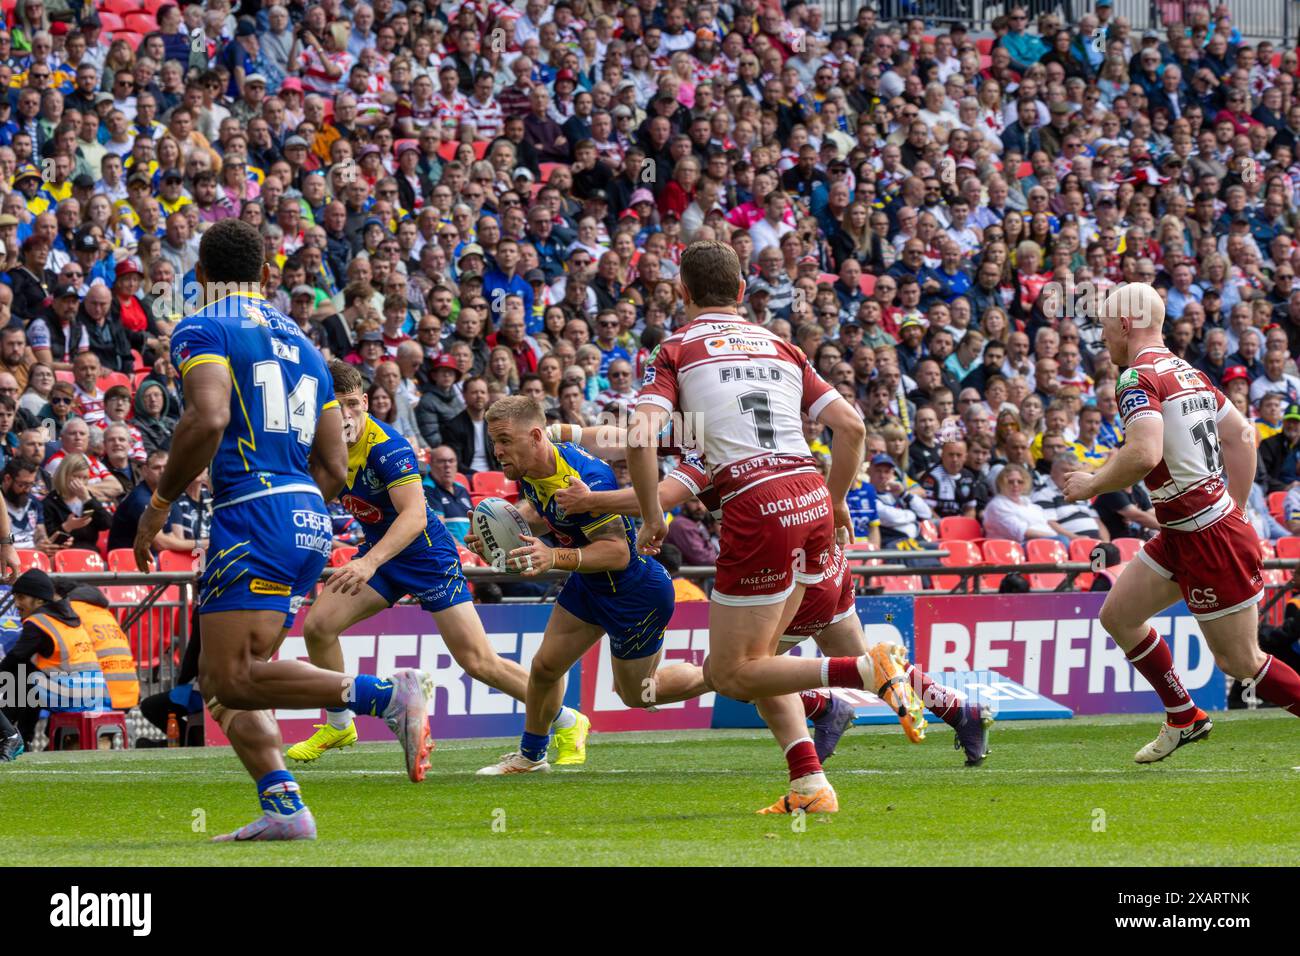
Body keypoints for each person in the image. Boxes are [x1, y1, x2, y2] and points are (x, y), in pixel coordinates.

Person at [129, 219, 433, 843]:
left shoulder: (204, 325)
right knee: (227, 684)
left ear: (203, 278)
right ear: (268, 276)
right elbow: (330, 465)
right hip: (306, 515)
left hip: (254, 511)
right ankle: (285, 808)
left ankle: (385, 696)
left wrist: (159, 504)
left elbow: (209, 417)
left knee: (231, 677)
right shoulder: (308, 349)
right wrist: (295, 514)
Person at [625, 240, 913, 815]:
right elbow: (851, 427)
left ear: (681, 292)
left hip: (755, 506)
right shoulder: (782, 346)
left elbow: (638, 436)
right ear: (741, 291)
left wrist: (654, 518)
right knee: (762, 659)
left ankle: (863, 668)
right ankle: (810, 784)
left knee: (733, 673)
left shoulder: (677, 348)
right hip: (808, 491)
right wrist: (833, 502)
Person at [551, 423, 990, 765]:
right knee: (851, 654)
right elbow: (626, 435)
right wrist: (563, 433)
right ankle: (957, 710)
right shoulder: (730, 427)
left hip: (782, 565)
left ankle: (817, 727)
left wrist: (592, 501)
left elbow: (661, 495)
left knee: (739, 674)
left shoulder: (710, 448)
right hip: (822, 554)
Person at [286, 363, 589, 765]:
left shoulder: (387, 447)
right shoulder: (324, 442)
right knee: (319, 627)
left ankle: (567, 720)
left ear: (363, 402)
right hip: (383, 554)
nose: (344, 415)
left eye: (350, 405)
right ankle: (340, 725)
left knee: (479, 662)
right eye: (334, 407)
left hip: (426, 554)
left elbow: (413, 516)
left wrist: (367, 563)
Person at [1063, 284, 1300, 764]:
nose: (1103, 337)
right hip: (1185, 529)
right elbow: (1241, 435)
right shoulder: (1188, 373)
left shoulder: (1135, 377)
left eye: (1107, 326)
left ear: (1126, 324)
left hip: (1207, 534)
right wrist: (1234, 503)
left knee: (1241, 662)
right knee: (1118, 616)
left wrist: (1091, 485)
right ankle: (1183, 715)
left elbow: (1144, 453)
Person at [471, 397, 705, 776]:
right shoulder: (531, 466)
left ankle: (725, 675)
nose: (497, 452)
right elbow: (544, 514)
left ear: (533, 437)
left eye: (503, 441)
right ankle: (531, 757)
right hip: (590, 583)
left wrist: (552, 558)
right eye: (494, 442)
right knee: (545, 667)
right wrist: (498, 532)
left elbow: (617, 554)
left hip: (635, 594)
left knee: (639, 694)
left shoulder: (582, 479)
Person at [0, 569, 108, 750]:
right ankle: (21, 738)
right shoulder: (68, 617)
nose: (17, 604)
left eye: (21, 598)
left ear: (40, 600)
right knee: (26, 674)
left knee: (22, 679)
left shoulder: (39, 622)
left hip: (73, 696)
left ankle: (16, 738)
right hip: (95, 694)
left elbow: (14, 658)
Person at [43, 453, 112, 550]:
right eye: (76, 477)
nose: (81, 482)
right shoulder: (50, 503)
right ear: (64, 475)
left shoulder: (88, 499)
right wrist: (67, 527)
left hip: (90, 553)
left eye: (85, 478)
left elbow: (106, 524)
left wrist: (87, 499)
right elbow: (49, 539)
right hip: (63, 555)